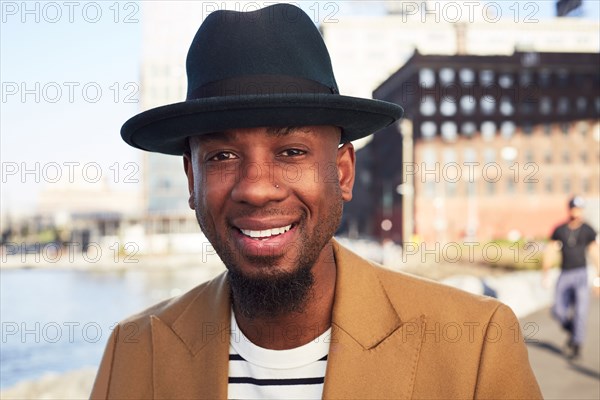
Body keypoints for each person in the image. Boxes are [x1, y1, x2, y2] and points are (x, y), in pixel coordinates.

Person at [91, 4, 542, 399]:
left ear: (343, 172)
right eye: (222, 156)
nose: (256, 188)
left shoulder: (475, 345)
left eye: (291, 151)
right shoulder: (134, 352)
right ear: (192, 179)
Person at [543, 196, 599, 360]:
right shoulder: (559, 230)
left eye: (580, 209)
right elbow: (550, 251)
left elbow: (596, 254)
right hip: (565, 274)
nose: (577, 212)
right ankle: (572, 328)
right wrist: (545, 273)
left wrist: (598, 279)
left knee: (581, 311)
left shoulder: (588, 230)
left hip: (581, 274)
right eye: (574, 208)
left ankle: (576, 344)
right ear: (569, 209)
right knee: (558, 310)